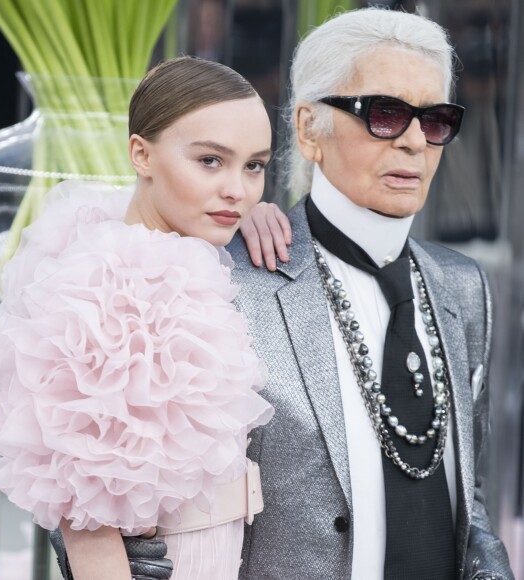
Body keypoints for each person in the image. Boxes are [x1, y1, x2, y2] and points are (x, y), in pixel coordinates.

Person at [230, 7, 515, 580]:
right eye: (385, 114)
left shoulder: (464, 287)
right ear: (310, 129)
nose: (414, 142)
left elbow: (464, 485)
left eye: (435, 120)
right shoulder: (235, 279)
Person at [0, 56, 277, 580]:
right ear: (141, 154)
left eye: (254, 166)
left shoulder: (180, 261)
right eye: (211, 160)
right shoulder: (108, 289)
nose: (238, 189)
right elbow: (85, 510)